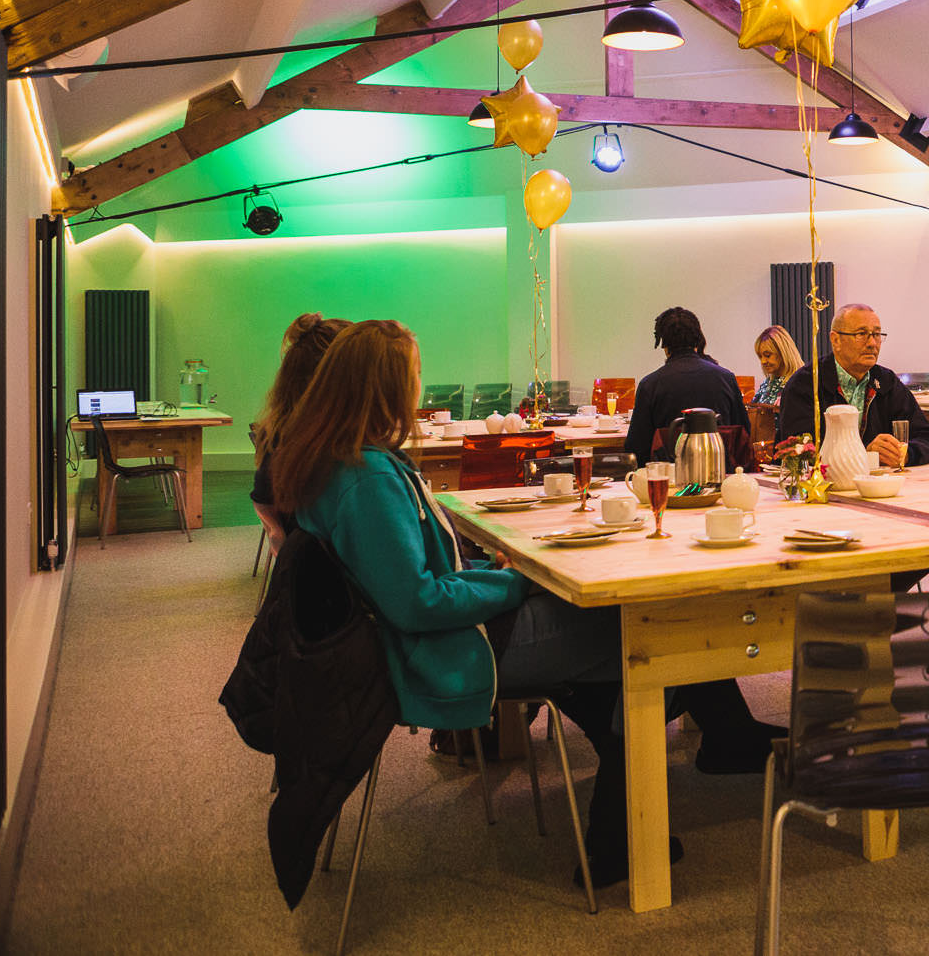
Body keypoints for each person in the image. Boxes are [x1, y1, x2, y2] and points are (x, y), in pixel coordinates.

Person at [271, 320, 777, 886]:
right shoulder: (367, 480)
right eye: (414, 375)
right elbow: (418, 603)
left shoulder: (341, 464)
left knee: (610, 660)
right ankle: (628, 827)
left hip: (428, 643)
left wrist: (500, 574)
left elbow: (426, 579)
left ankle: (620, 819)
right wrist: (516, 583)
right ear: (385, 387)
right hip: (445, 654)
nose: (419, 388)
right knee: (649, 636)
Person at [775, 303, 929, 467]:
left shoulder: (886, 382)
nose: (872, 343)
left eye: (876, 334)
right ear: (836, 340)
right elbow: (796, 450)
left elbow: (924, 436)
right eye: (862, 334)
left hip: (881, 486)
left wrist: (904, 454)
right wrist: (864, 454)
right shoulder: (807, 384)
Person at [249, 312, 349, 554]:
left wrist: (276, 532)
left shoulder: (280, 428)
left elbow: (262, 499)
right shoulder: (335, 447)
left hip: (303, 560)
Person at [624, 307, 752, 465]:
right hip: (721, 474)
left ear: (663, 343)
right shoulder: (726, 378)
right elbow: (743, 434)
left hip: (669, 478)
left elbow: (637, 447)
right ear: (697, 338)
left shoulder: (650, 385)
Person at [750, 324, 804, 406]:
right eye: (760, 356)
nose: (763, 361)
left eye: (767, 355)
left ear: (783, 353)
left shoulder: (800, 384)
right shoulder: (766, 384)